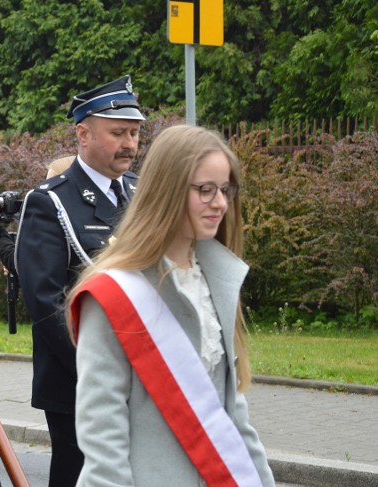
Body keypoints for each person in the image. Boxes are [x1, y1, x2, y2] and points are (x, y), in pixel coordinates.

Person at [66, 125, 275, 486]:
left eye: (225, 190)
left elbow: (233, 418)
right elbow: (102, 434)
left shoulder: (215, 278)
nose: (221, 204)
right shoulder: (116, 293)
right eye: (205, 190)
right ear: (168, 190)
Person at [14, 75, 145, 487]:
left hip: (143, 375)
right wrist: (100, 367)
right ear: (83, 134)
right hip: (80, 380)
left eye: (135, 133)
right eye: (118, 133)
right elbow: (46, 301)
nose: (130, 143)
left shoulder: (142, 193)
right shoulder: (50, 201)